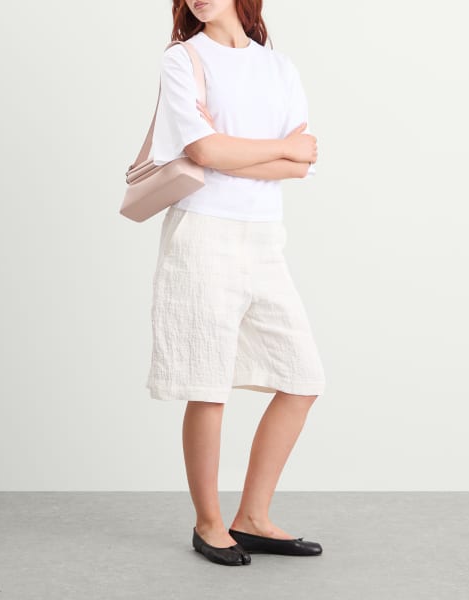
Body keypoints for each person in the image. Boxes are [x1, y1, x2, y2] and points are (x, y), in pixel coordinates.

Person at [145, 0, 326, 566]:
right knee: (208, 384)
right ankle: (209, 524)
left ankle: (253, 518)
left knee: (302, 378)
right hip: (202, 234)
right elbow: (203, 151)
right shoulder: (184, 59)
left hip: (265, 239)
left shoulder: (279, 68)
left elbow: (303, 163)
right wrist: (275, 148)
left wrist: (236, 152)